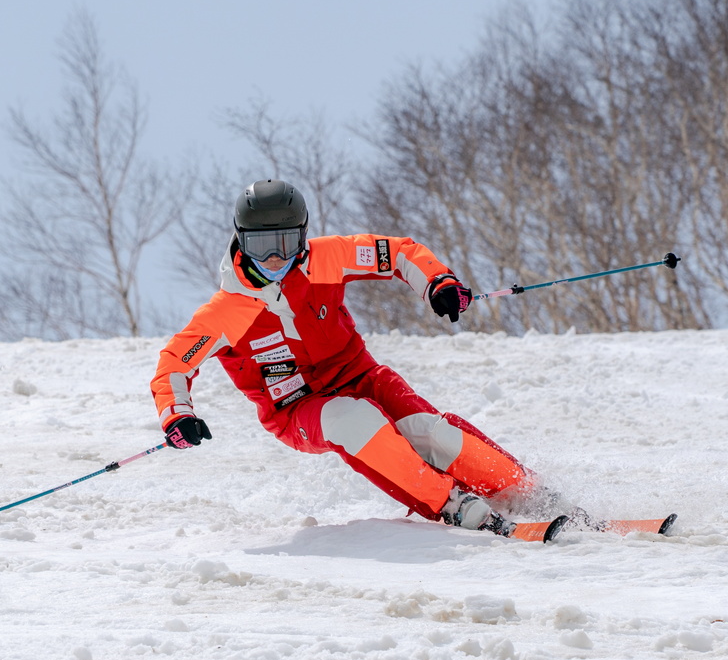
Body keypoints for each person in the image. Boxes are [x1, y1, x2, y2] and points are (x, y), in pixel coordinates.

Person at [150, 179, 542, 536]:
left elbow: (399, 253)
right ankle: (451, 504)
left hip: (362, 375)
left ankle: (527, 492)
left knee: (429, 431)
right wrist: (177, 414)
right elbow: (173, 366)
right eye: (260, 246)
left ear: (302, 237)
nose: (273, 258)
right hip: (299, 408)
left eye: (284, 243)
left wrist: (437, 282)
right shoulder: (223, 313)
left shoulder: (328, 258)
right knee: (355, 420)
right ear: (240, 241)